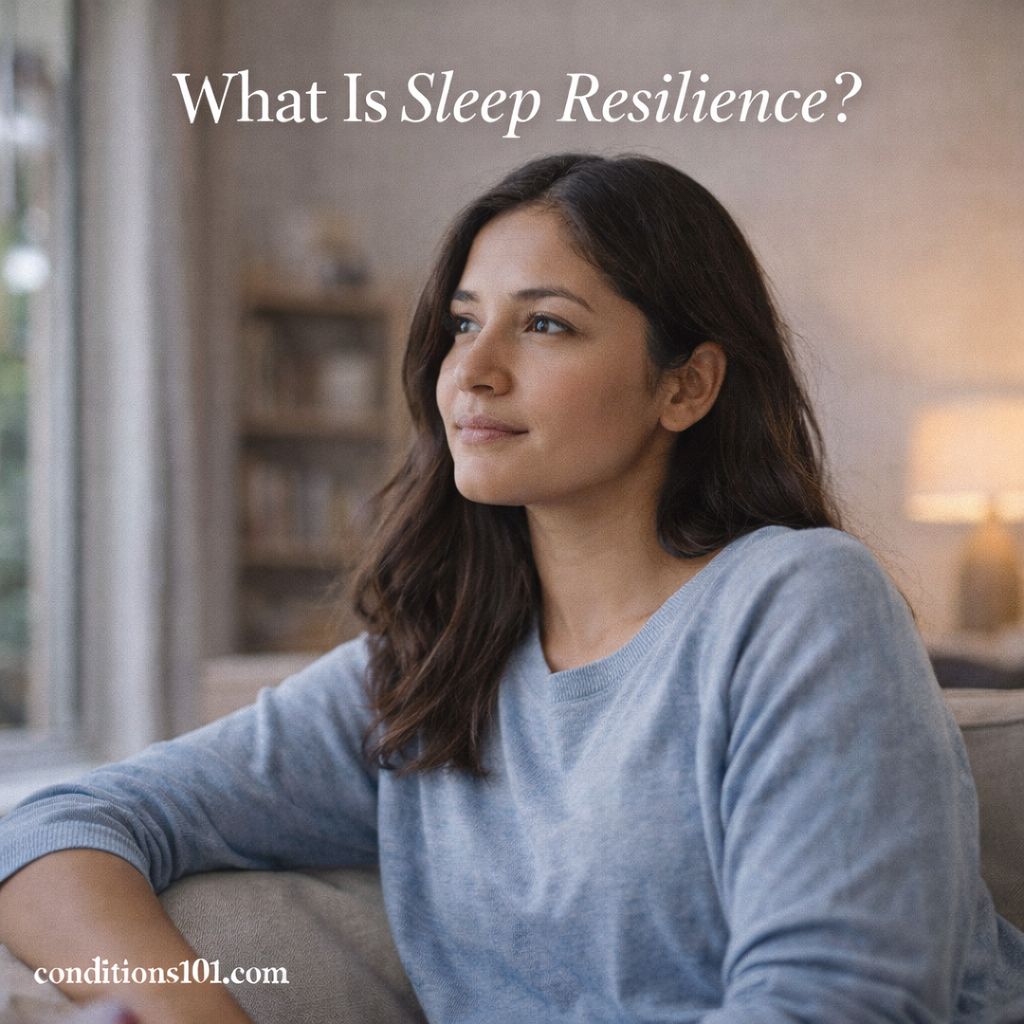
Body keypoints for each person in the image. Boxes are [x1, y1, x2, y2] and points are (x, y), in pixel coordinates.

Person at [1, 153, 1022, 1024]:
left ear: (687, 385)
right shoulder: (431, 670)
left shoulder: (798, 601)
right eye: (461, 323)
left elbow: (835, 1003)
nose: (472, 371)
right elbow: (56, 827)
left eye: (545, 326)